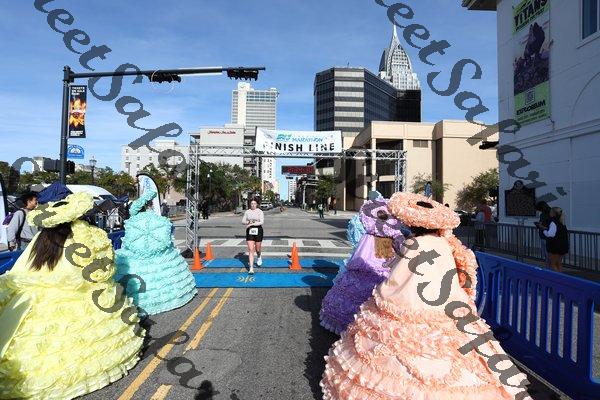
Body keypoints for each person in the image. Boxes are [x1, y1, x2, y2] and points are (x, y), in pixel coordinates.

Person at [321, 192, 533, 399]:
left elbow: (397, 278)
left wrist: (382, 290)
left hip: (411, 303)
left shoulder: (412, 244)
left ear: (413, 224)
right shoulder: (445, 244)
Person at [0, 192, 144, 399]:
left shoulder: (42, 237)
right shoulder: (84, 234)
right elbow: (101, 270)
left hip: (37, 295)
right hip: (79, 296)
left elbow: (25, 267)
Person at [319, 198, 409, 335]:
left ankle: (348, 322)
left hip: (366, 263)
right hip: (383, 263)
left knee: (355, 287)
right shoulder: (392, 234)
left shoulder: (369, 233)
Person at [115, 190, 197, 315]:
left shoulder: (132, 222)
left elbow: (128, 242)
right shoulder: (159, 220)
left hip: (136, 256)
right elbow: (165, 240)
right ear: (149, 206)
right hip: (159, 255)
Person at [537, 207, 569, 272]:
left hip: (555, 247)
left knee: (553, 264)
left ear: (553, 213)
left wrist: (543, 230)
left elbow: (550, 234)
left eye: (551, 212)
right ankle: (560, 276)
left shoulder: (553, 222)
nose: (549, 213)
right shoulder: (562, 222)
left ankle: (556, 276)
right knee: (559, 263)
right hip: (562, 246)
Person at [242, 198, 264, 274]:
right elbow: (243, 221)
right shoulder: (247, 212)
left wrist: (252, 224)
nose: (253, 205)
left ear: (257, 204)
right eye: (252, 204)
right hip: (250, 231)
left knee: (257, 249)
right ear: (250, 204)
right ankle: (251, 268)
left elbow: (261, 222)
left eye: (254, 203)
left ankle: (259, 256)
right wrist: (248, 222)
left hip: (258, 230)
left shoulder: (260, 211)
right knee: (251, 249)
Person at [535, 201, 552, 266]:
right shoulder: (542, 214)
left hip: (547, 237)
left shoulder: (550, 215)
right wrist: (538, 225)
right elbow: (541, 223)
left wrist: (541, 226)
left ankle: (550, 268)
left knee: (548, 254)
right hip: (543, 236)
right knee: (546, 254)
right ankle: (548, 267)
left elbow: (551, 227)